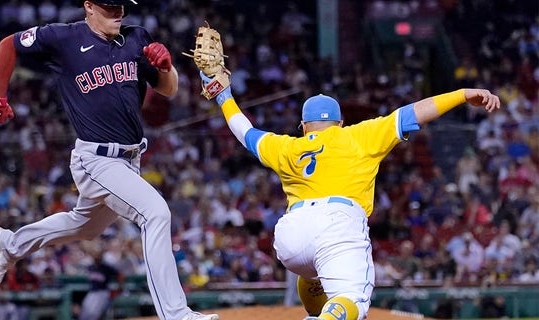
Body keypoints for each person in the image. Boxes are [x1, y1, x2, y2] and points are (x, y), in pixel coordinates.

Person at [0, 1, 220, 320]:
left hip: (131, 159)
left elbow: (169, 89)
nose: (118, 12)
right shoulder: (62, 37)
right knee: (155, 214)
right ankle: (176, 314)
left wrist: (166, 67)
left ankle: (11, 244)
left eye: (121, 6)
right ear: (89, 7)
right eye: (109, 7)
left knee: (84, 226)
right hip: (95, 158)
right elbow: (7, 44)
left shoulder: (137, 38)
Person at [199, 71, 500, 320]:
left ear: (304, 127)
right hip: (338, 224)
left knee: (314, 275)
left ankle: (319, 315)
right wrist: (461, 94)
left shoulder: (287, 146)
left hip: (291, 238)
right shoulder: (358, 135)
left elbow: (245, 132)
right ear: (340, 123)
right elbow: (415, 113)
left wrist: (224, 96)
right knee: (354, 301)